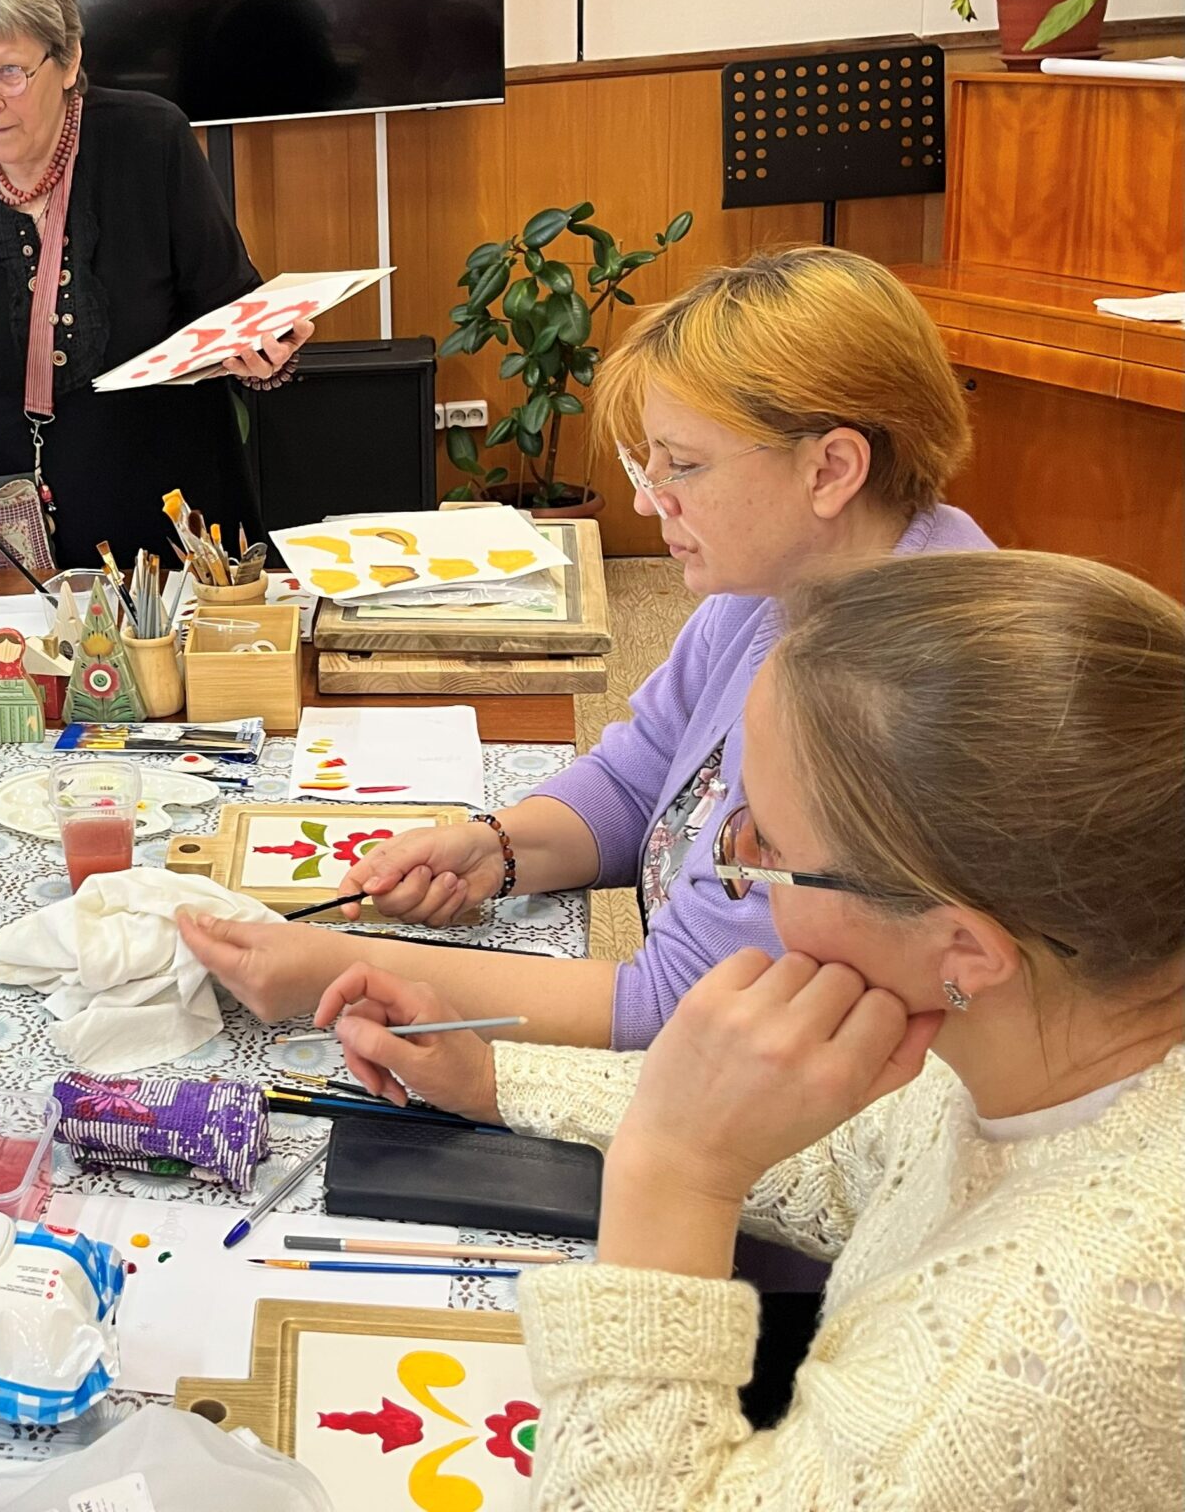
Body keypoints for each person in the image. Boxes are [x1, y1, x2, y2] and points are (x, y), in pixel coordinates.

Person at [319, 551, 1182, 1509]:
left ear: (964, 948)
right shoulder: (1043, 1022)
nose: (730, 865)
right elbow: (861, 1152)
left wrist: (672, 1175)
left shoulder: (1044, 1349)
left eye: (764, 843)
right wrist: (496, 1077)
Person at [182, 247, 990, 1051]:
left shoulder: (893, 698)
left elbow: (679, 1008)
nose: (646, 498)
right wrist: (495, 848)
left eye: (683, 465)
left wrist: (340, 967)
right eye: (650, 460)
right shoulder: (785, 575)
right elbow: (643, 775)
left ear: (831, 469)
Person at [0, 0, 312, 594]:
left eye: (9, 73)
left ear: (69, 60)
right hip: (13, 527)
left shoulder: (151, 140)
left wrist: (264, 352)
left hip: (173, 513)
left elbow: (228, 306)